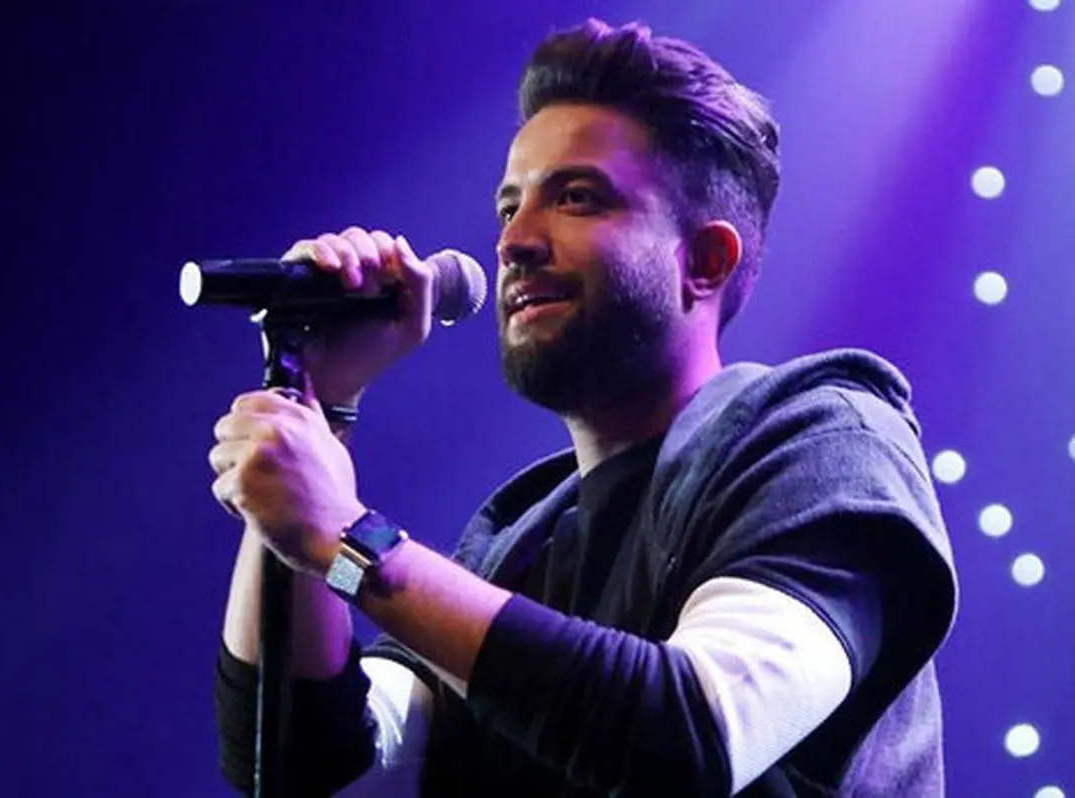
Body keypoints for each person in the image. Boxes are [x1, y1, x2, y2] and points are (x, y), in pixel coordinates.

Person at [208, 18, 957, 797]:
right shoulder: (515, 539)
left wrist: (346, 537)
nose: (514, 242)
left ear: (704, 261)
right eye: (509, 208)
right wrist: (315, 406)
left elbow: (689, 734)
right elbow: (309, 767)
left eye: (575, 198)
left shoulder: (821, 443)